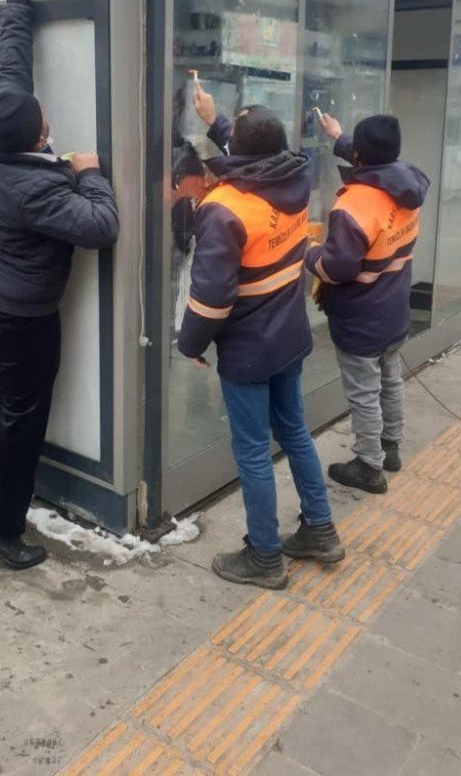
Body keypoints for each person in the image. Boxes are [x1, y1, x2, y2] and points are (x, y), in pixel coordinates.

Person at [0, 0, 119, 571]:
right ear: (37, 135)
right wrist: (91, 173)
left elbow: (11, 72)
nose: (45, 114)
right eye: (43, 122)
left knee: (2, 398)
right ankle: (1, 532)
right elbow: (100, 227)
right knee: (24, 419)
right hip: (24, 321)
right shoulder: (37, 188)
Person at [179, 84, 344, 590]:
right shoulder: (296, 173)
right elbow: (256, 152)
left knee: (252, 451)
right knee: (294, 432)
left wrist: (190, 343)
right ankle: (320, 531)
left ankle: (265, 556)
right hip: (289, 334)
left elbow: (210, 297)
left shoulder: (223, 208)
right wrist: (216, 121)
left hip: (249, 348)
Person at [305, 112, 429, 494]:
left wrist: (307, 251)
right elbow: (376, 165)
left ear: (358, 155)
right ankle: (390, 447)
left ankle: (369, 465)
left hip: (362, 316)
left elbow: (336, 269)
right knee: (390, 380)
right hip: (394, 309)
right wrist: (338, 136)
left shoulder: (355, 205)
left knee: (363, 392)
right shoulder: (407, 182)